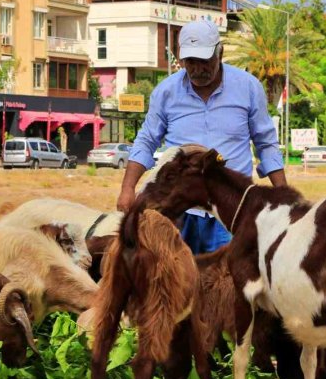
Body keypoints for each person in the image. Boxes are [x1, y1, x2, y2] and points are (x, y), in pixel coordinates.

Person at [117, 19, 287, 254]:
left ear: (220, 52)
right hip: (177, 212)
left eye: (205, 62)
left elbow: (266, 144)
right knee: (175, 279)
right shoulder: (166, 92)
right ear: (181, 59)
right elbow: (146, 141)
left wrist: (283, 195)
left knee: (227, 282)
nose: (197, 70)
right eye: (190, 62)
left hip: (230, 212)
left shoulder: (248, 88)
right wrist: (127, 189)